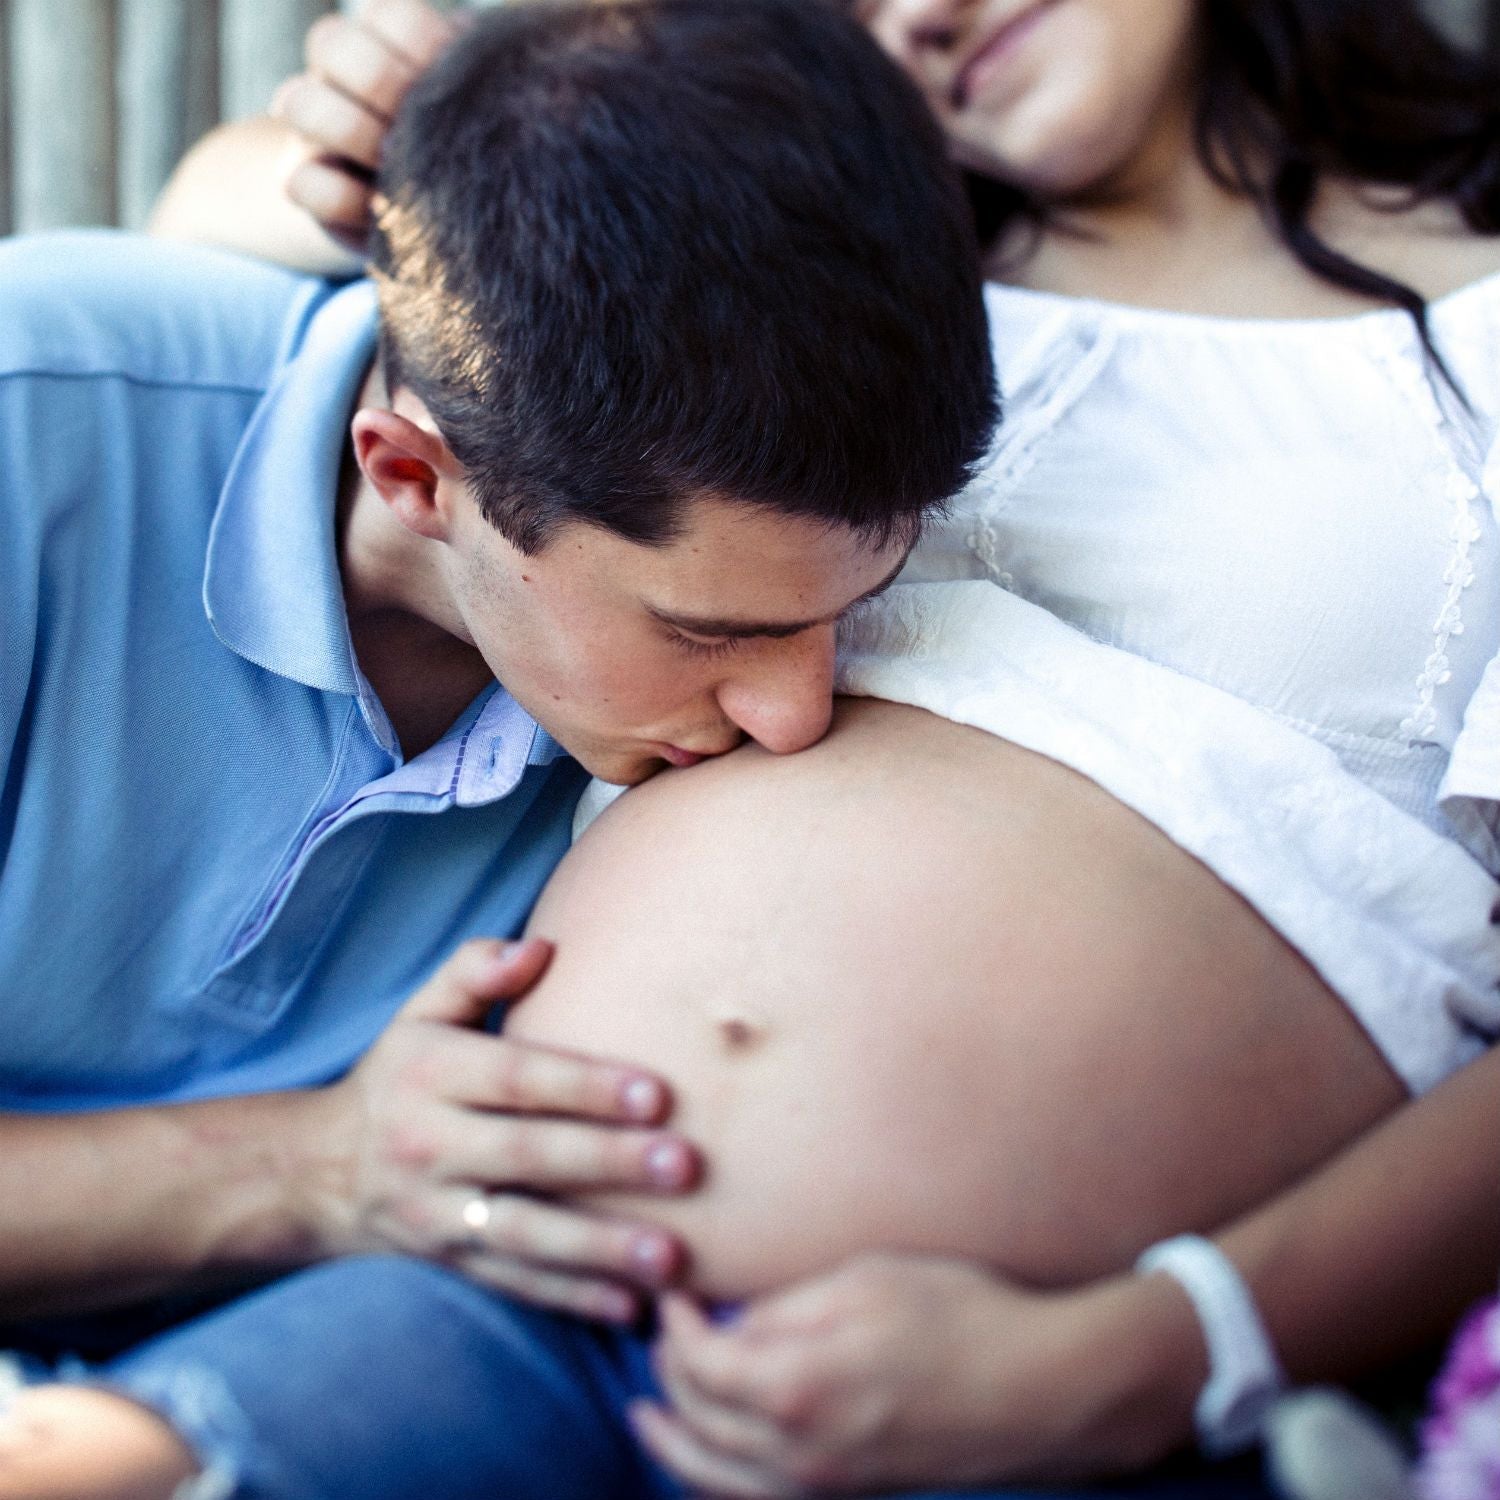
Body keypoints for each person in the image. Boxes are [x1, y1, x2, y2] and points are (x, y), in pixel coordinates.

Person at [10, 0, 1500, 1497]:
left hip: (1021, 1356)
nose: (924, 13)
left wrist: (1152, 1354)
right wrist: (408, 142)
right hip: (510, 1255)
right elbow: (227, 240)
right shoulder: (771, 256)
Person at [0, 1, 1001, 1494]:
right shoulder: (31, 434)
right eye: (708, 630)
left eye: (847, 611)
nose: (798, 713)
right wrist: (315, 1163)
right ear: (413, 476)